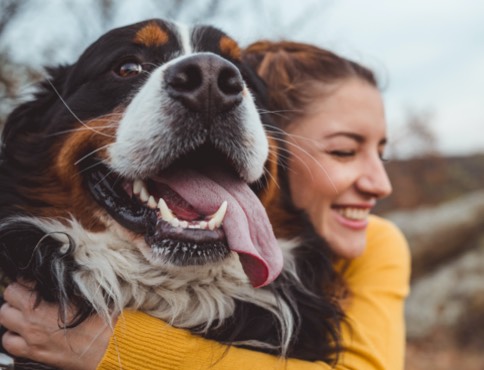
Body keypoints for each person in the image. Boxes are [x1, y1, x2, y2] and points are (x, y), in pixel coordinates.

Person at [0, 41, 411, 370]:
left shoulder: (378, 243)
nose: (381, 184)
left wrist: (113, 349)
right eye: (343, 151)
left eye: (382, 153)